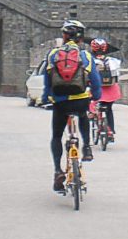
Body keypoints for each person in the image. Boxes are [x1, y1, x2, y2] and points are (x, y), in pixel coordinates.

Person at [42, 20, 102, 193]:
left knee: (56, 136)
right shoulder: (86, 56)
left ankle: (57, 171)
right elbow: (95, 81)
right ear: (80, 38)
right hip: (80, 99)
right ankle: (87, 147)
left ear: (64, 36)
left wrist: (47, 98)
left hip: (60, 102)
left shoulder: (53, 54)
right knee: (82, 115)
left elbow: (47, 81)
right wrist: (95, 97)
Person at [90, 37, 121, 143]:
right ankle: (110, 131)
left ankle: (93, 115)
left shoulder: (91, 61)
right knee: (108, 109)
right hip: (111, 90)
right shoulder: (112, 61)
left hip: (98, 89)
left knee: (93, 102)